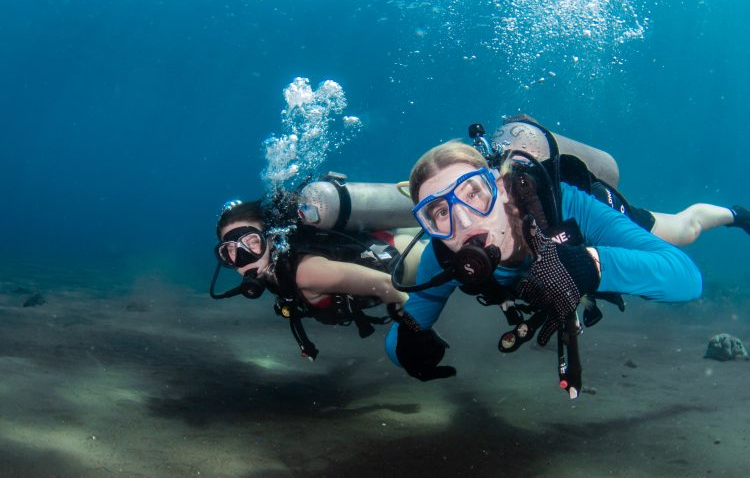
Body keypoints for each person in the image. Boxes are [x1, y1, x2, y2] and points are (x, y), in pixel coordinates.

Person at [385, 140, 703, 398]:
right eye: (440, 212)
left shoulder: (564, 204)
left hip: (598, 218)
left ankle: (731, 214)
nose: (464, 221)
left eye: (472, 193)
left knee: (684, 229)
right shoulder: (442, 256)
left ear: (500, 187)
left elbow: (686, 276)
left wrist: (589, 264)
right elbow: (409, 325)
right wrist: (406, 351)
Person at [210, 198, 424, 360]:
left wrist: (418, 332)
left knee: (446, 244)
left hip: (403, 255)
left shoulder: (305, 273)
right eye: (229, 250)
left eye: (252, 242)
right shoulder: (274, 271)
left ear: (272, 238)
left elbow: (385, 285)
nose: (243, 258)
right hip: (380, 243)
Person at [492, 117, 750, 246]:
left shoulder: (584, 202)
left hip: (605, 209)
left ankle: (736, 215)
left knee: (687, 228)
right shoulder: (480, 194)